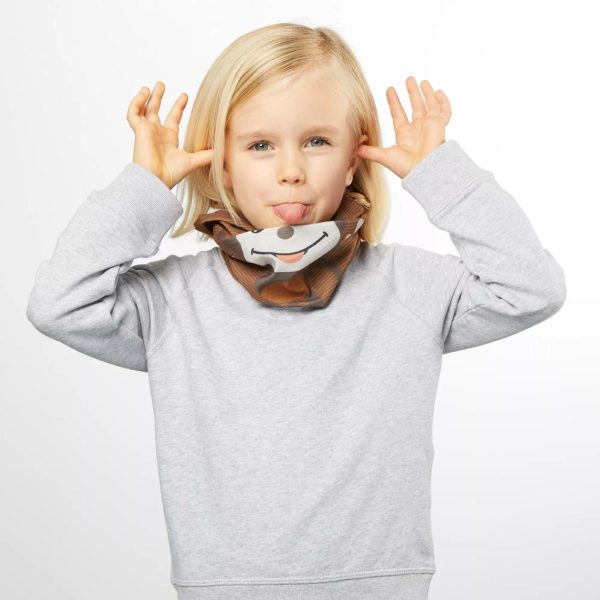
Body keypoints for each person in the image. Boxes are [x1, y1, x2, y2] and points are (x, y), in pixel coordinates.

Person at [26, 22, 566, 600]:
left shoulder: (409, 287)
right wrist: (144, 187)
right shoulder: (173, 302)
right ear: (222, 165)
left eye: (317, 141)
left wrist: (441, 175)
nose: (291, 170)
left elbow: (530, 288)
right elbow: (60, 303)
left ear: (355, 157)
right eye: (260, 145)